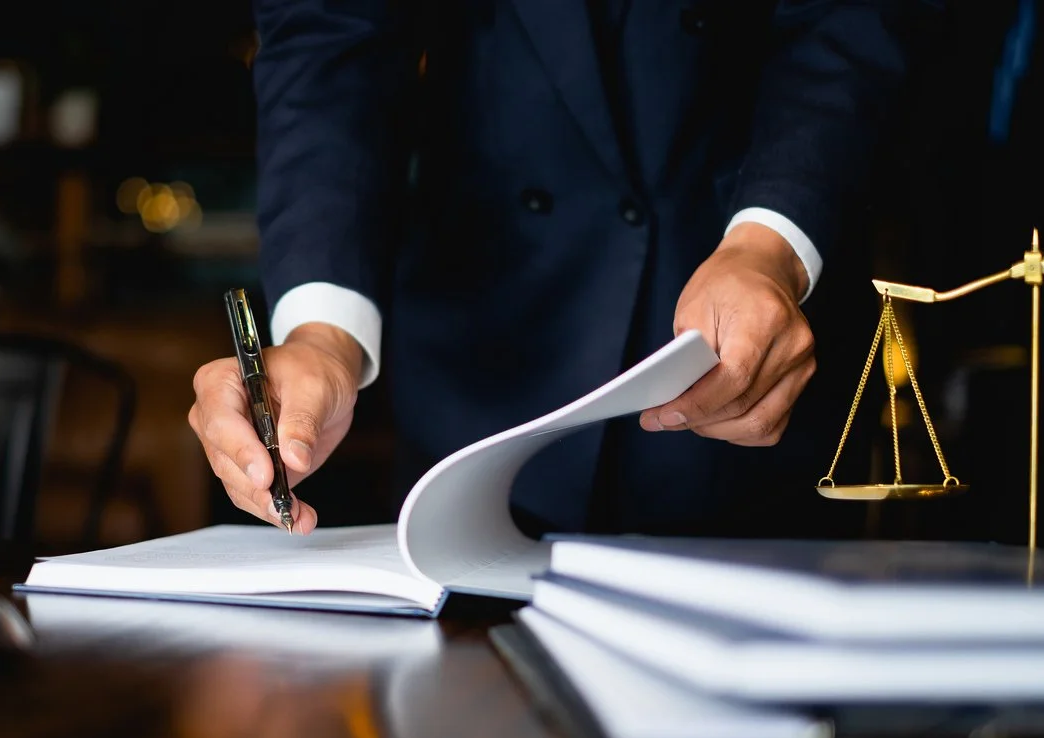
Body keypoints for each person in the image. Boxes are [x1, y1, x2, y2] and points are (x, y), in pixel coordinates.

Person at [190, 0, 932, 538]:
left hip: (744, 359)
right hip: (483, 375)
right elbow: (330, 37)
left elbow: (846, 20)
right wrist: (322, 336)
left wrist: (769, 246)